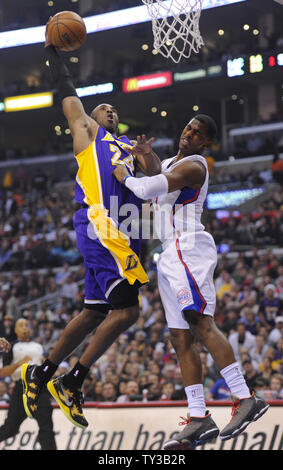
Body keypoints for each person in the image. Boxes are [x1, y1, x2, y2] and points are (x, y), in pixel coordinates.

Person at [21, 17, 161, 429]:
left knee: (93, 312)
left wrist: (147, 158)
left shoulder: (129, 148)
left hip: (127, 233)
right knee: (129, 312)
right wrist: (52, 55)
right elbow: (68, 96)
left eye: (115, 109)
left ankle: (43, 372)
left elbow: (153, 187)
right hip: (102, 227)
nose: (111, 110)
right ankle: (73, 381)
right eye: (104, 108)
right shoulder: (88, 135)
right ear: (91, 115)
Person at [113, 114, 269, 449]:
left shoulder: (196, 166)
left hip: (188, 245)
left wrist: (125, 175)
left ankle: (245, 398)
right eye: (188, 128)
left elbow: (149, 186)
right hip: (168, 251)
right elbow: (158, 171)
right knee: (179, 339)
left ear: (205, 143)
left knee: (200, 322)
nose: (189, 133)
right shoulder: (173, 161)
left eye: (197, 133)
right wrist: (146, 155)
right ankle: (198, 417)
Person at [0, 319, 56, 450]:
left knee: (46, 424)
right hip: (21, 388)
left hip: (39, 388)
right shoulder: (11, 346)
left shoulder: (38, 346)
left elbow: (47, 366)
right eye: (21, 326)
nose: (25, 328)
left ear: (30, 329)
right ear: (15, 330)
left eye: (27, 325)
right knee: (10, 428)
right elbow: (2, 373)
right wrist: (20, 363)